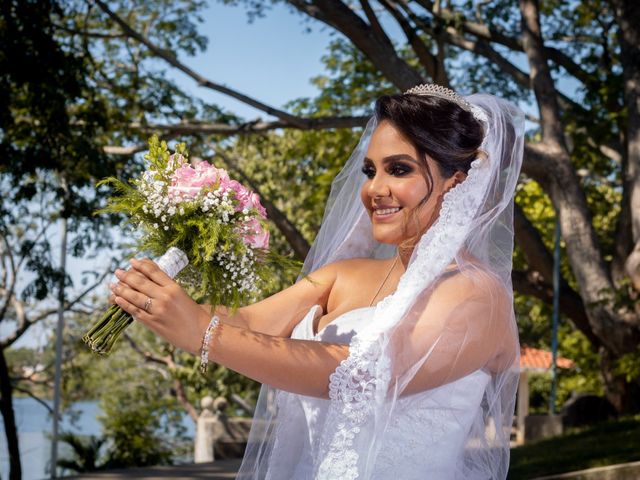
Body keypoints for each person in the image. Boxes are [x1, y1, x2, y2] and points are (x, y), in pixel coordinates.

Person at [110, 84, 525, 479]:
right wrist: (156, 296)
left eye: (399, 169)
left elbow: (360, 376)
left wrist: (203, 333)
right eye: (369, 170)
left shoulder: (476, 293)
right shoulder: (341, 275)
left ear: (460, 180)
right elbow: (250, 325)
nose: (375, 189)